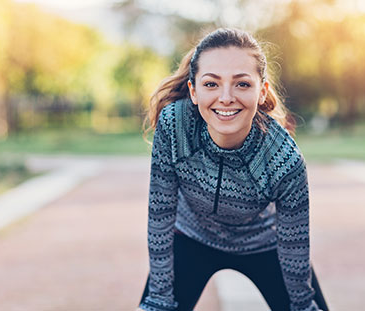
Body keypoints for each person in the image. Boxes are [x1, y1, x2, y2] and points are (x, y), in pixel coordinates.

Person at [137, 28, 329, 311]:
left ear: (261, 91)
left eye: (242, 84)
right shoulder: (174, 125)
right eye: (211, 84)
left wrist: (301, 305)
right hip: (192, 237)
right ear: (193, 90)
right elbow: (161, 214)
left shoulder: (285, 160)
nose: (226, 97)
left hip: (264, 244)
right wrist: (159, 299)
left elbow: (294, 245)